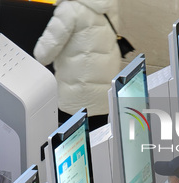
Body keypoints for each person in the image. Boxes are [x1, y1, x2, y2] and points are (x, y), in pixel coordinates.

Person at [33, 0, 121, 130]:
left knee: (73, 145)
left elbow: (42, 55)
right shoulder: (109, 2)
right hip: (104, 95)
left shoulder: (70, 8)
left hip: (74, 97)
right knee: (98, 141)